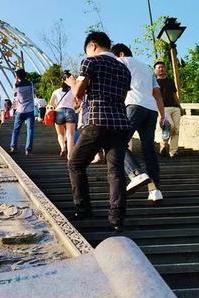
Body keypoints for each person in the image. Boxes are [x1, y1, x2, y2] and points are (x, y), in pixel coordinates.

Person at [64, 32, 132, 232]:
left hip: (97, 121)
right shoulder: (124, 69)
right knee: (116, 171)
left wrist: (71, 82)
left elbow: (78, 92)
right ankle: (117, 217)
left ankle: (83, 208)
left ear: (92, 46)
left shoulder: (90, 62)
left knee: (75, 164)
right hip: (120, 123)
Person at [112, 43, 168, 204]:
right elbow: (157, 93)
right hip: (151, 109)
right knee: (149, 149)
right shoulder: (147, 67)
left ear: (121, 54)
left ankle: (136, 173)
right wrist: (162, 115)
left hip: (134, 106)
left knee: (117, 142)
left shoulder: (122, 61)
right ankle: (155, 190)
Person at [155, 61, 182, 158]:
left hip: (175, 108)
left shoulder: (170, 81)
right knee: (170, 126)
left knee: (176, 131)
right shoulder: (154, 82)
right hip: (163, 108)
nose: (161, 69)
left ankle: (173, 151)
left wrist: (180, 106)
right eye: (159, 68)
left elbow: (174, 95)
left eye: (162, 67)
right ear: (155, 70)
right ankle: (163, 145)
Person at [48, 71, 78, 160]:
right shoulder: (73, 90)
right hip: (70, 111)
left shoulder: (56, 91)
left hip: (59, 112)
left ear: (62, 80)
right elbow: (77, 103)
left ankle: (63, 148)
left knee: (60, 134)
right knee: (70, 135)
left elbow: (51, 104)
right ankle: (70, 156)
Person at [9, 69, 36, 156]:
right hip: (30, 110)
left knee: (16, 130)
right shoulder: (31, 84)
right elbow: (33, 93)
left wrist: (16, 81)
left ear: (17, 76)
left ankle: (13, 146)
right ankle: (28, 149)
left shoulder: (17, 86)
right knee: (30, 130)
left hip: (20, 110)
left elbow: (14, 94)